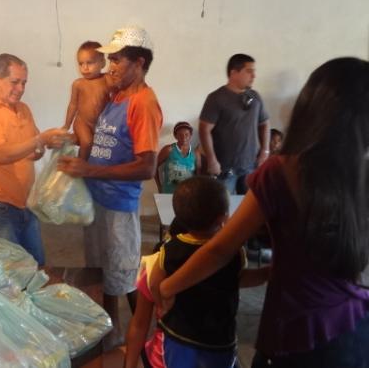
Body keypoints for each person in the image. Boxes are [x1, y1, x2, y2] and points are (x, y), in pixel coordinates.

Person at [157, 58, 369, 368]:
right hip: (355, 323)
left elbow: (219, 250)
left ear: (311, 107)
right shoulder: (360, 174)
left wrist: (167, 286)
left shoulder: (283, 172)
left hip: (296, 329)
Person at [58, 26, 163, 347]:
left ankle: (145, 338)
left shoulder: (143, 103)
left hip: (118, 206)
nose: (110, 66)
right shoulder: (117, 96)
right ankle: (114, 330)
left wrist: (89, 168)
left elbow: (147, 165)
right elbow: (104, 139)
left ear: (140, 62)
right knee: (106, 273)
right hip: (98, 201)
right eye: (110, 59)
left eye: (117, 60)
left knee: (124, 274)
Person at [129, 177, 268, 368]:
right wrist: (268, 272)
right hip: (220, 341)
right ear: (223, 218)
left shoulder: (167, 251)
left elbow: (155, 283)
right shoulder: (233, 253)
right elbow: (241, 278)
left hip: (178, 340)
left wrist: (161, 300)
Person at [0, 53, 69, 266]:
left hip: (25, 203)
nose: (21, 88)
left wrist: (45, 144)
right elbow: (1, 154)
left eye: (24, 83)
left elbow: (31, 149)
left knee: (35, 265)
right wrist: (40, 139)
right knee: (8, 275)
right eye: (15, 82)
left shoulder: (23, 110)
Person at [199, 53, 270, 194]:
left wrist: (265, 150)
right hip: (225, 168)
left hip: (250, 166)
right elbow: (204, 129)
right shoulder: (216, 98)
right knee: (223, 209)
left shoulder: (255, 97)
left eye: (254, 72)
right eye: (249, 71)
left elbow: (265, 123)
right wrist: (212, 160)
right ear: (234, 73)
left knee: (249, 208)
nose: (253, 76)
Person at [63, 41, 109, 159]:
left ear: (102, 63)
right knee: (87, 142)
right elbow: (73, 105)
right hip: (82, 122)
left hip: (99, 125)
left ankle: (91, 164)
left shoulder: (107, 80)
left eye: (90, 63)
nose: (85, 68)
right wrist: (66, 125)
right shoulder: (78, 84)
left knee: (100, 146)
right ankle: (81, 165)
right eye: (81, 64)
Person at [155, 121, 201, 194]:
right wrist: (159, 186)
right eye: (180, 135)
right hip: (168, 193)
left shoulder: (195, 153)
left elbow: (198, 175)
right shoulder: (169, 150)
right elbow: (154, 167)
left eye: (187, 135)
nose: (184, 138)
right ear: (175, 136)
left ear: (191, 135)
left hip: (188, 195)